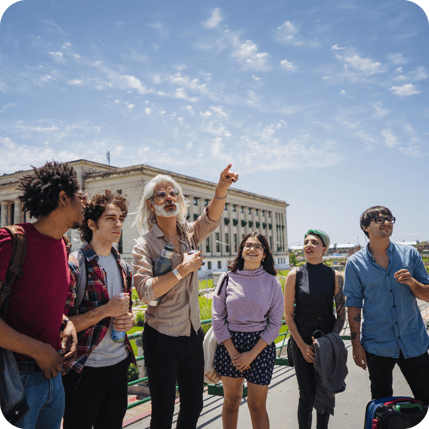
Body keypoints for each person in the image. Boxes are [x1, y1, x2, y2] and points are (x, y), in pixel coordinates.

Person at [132, 164, 238, 429]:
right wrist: (182, 270)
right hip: (161, 337)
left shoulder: (188, 234)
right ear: (150, 204)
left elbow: (210, 219)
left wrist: (221, 188)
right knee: (163, 411)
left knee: (194, 404)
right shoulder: (144, 244)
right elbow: (145, 291)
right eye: (161, 195)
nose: (169, 197)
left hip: (191, 335)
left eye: (173, 193)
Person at [0, 161, 81, 429]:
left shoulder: (62, 245)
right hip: (15, 382)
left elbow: (37, 300)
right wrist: (38, 351)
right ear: (62, 198)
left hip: (52, 380)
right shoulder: (10, 242)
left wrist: (64, 322)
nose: (85, 202)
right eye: (79, 196)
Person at [62, 190, 136, 429]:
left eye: (121, 219)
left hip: (119, 365)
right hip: (84, 370)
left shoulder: (124, 266)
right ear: (92, 224)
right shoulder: (75, 264)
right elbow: (62, 325)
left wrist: (129, 320)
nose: (118, 224)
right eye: (110, 218)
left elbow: (126, 311)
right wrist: (106, 310)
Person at [344, 206, 429, 404]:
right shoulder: (355, 263)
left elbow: (427, 294)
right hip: (377, 345)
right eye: (379, 219)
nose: (386, 222)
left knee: (426, 399)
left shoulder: (410, 254)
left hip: (413, 341)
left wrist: (412, 282)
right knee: (382, 404)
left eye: (389, 218)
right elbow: (354, 304)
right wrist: (356, 344)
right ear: (365, 227)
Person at [212, 232, 283, 429]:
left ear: (264, 254)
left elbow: (276, 323)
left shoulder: (272, 283)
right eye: (248, 245)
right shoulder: (226, 278)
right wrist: (234, 353)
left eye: (258, 246)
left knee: (257, 406)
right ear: (241, 251)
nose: (252, 249)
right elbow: (217, 317)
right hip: (229, 345)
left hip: (260, 346)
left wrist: (251, 354)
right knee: (231, 401)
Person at [284, 229, 345, 429]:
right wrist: (301, 346)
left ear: (324, 249)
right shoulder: (295, 275)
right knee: (307, 396)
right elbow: (287, 315)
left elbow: (341, 313)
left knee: (325, 392)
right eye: (306, 242)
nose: (309, 245)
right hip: (302, 340)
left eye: (315, 242)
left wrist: (330, 342)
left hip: (326, 340)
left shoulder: (335, 276)